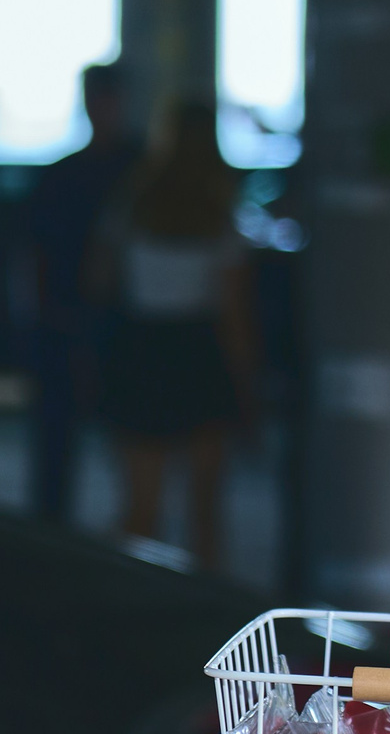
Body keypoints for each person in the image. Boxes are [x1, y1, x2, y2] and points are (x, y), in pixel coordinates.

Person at [87, 99, 256, 572]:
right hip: (198, 352)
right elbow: (233, 314)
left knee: (141, 508)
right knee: (206, 511)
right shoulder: (219, 215)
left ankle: (133, 608)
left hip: (141, 349)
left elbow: (99, 280)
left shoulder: (133, 203)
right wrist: (246, 384)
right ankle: (210, 619)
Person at [24, 64, 138, 524]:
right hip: (68, 323)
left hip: (123, 326)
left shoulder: (136, 169)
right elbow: (37, 254)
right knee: (57, 450)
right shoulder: (71, 174)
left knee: (131, 452)